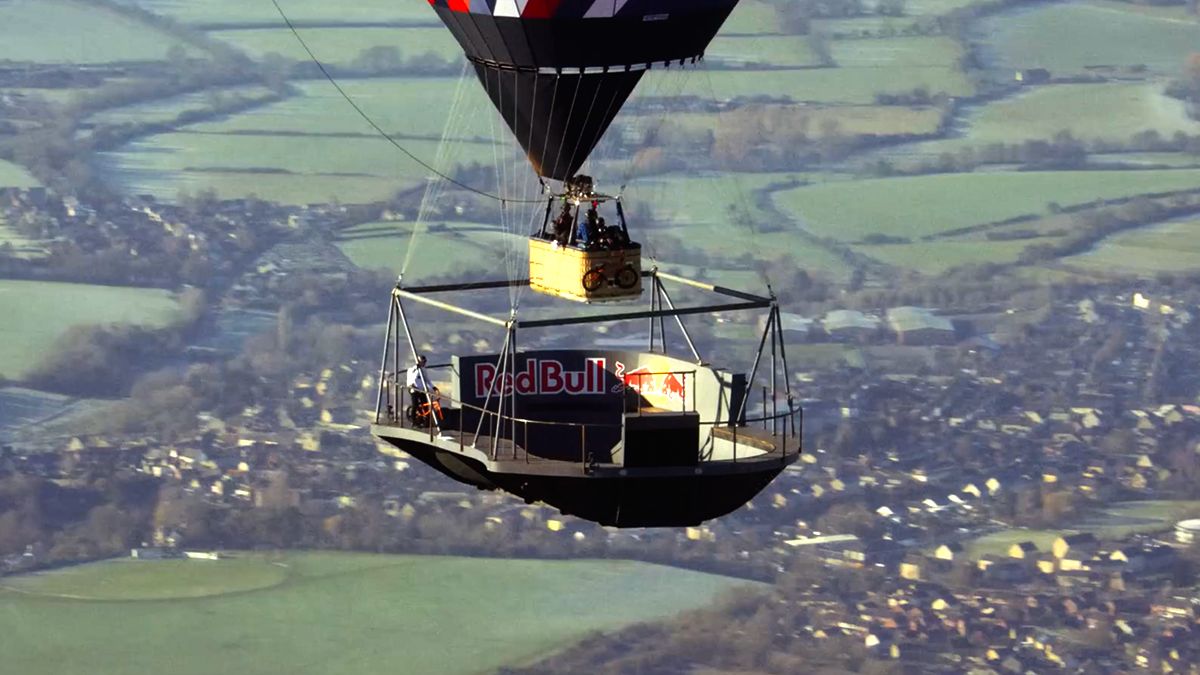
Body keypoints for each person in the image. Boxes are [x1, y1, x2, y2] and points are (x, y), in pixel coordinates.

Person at [406, 355, 436, 427]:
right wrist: (411, 386)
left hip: (422, 390)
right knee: (415, 405)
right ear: (419, 361)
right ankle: (414, 422)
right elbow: (409, 379)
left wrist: (433, 387)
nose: (424, 363)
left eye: (425, 362)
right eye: (423, 362)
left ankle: (426, 421)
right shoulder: (412, 370)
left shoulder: (423, 370)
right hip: (414, 390)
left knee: (425, 405)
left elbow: (427, 380)